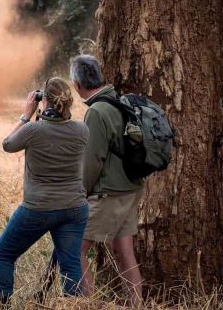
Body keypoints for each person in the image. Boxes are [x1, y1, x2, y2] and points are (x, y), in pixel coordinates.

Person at [0, 77, 90, 309]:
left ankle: (0, 305)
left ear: (44, 100)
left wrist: (26, 115)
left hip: (39, 207)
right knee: (71, 264)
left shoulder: (33, 130)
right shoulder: (82, 130)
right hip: (74, 207)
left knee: (3, 253)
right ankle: (74, 305)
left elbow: (8, 144)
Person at [70, 55, 144, 307]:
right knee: (125, 253)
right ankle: (136, 305)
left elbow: (92, 160)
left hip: (108, 194)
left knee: (74, 249)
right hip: (131, 189)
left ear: (77, 84)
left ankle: (88, 304)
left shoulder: (96, 111)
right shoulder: (121, 101)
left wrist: (79, 193)